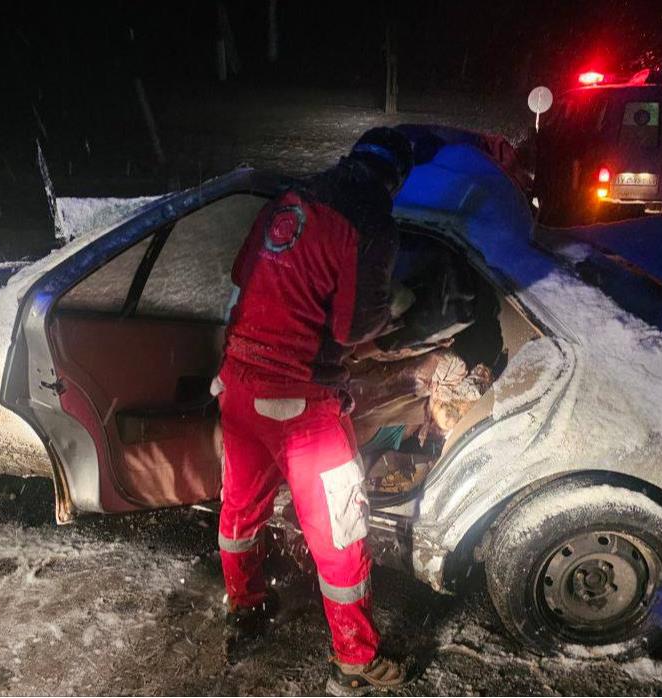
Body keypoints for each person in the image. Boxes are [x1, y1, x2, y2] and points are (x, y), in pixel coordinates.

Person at [215, 127, 414, 694]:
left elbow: (242, 274)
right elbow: (353, 327)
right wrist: (392, 306)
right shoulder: (370, 221)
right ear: (394, 179)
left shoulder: (292, 198)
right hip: (300, 403)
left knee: (239, 509)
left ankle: (246, 604)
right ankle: (355, 659)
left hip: (238, 386)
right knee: (339, 531)